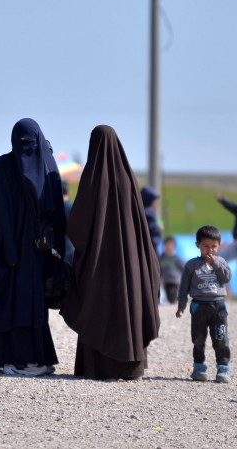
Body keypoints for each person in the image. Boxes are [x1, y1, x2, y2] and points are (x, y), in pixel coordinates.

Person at [61, 125, 160, 380]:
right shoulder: (128, 178)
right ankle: (130, 368)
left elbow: (78, 225)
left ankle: (98, 367)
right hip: (130, 260)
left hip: (100, 261)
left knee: (99, 304)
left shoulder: (93, 178)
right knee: (128, 302)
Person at [0, 118, 66, 377]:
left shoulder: (47, 167)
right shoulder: (3, 167)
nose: (25, 148)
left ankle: (33, 358)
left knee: (31, 306)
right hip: (6, 251)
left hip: (36, 253)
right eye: (20, 142)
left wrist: (57, 246)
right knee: (11, 302)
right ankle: (9, 356)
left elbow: (57, 212)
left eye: (30, 143)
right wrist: (7, 249)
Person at [176, 225, 232, 383]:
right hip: (199, 306)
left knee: (221, 339)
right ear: (198, 245)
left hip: (218, 306)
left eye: (213, 246)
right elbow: (184, 287)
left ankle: (223, 369)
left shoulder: (221, 262)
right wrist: (181, 305)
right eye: (206, 246)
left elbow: (226, 278)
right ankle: (199, 368)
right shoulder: (192, 265)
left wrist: (215, 264)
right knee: (198, 339)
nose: (210, 250)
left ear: (218, 246)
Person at [159, 236, 184, 304]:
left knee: (174, 298)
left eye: (170, 245)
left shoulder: (176, 258)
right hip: (166, 282)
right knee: (168, 298)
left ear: (174, 246)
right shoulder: (161, 258)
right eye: (167, 245)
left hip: (175, 282)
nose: (168, 247)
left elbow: (184, 268)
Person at [141, 186, 163, 254]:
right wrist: (160, 224)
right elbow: (157, 228)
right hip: (152, 245)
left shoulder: (142, 210)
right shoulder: (149, 212)